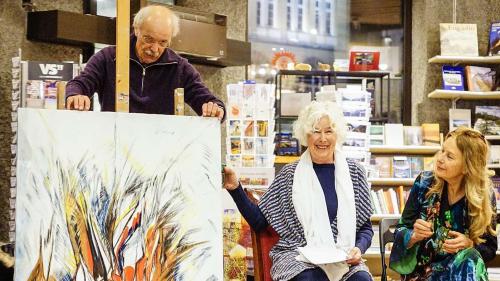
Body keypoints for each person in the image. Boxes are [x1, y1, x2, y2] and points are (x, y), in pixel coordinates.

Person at [223, 101, 374, 281]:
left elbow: (365, 227)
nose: (323, 138)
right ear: (305, 135)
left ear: (338, 134)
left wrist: (359, 248)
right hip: (297, 256)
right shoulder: (290, 174)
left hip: (343, 257)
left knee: (362, 279)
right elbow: (259, 222)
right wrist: (235, 189)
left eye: (328, 131)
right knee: (313, 279)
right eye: (316, 131)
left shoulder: (355, 173)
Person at [65, 5, 225, 120]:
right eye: (148, 39)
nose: (154, 48)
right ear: (136, 29)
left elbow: (208, 100)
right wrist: (75, 96)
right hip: (116, 147)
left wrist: (215, 109)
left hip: (160, 151)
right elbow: (80, 83)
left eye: (163, 42)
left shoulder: (179, 67)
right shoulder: (108, 57)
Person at [389, 127, 497, 280]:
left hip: (460, 273)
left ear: (467, 167)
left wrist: (470, 244)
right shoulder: (424, 184)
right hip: (422, 273)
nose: (440, 158)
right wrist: (412, 236)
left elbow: (490, 248)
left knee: (470, 257)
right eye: (442, 151)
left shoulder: (483, 195)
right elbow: (400, 230)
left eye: (450, 156)